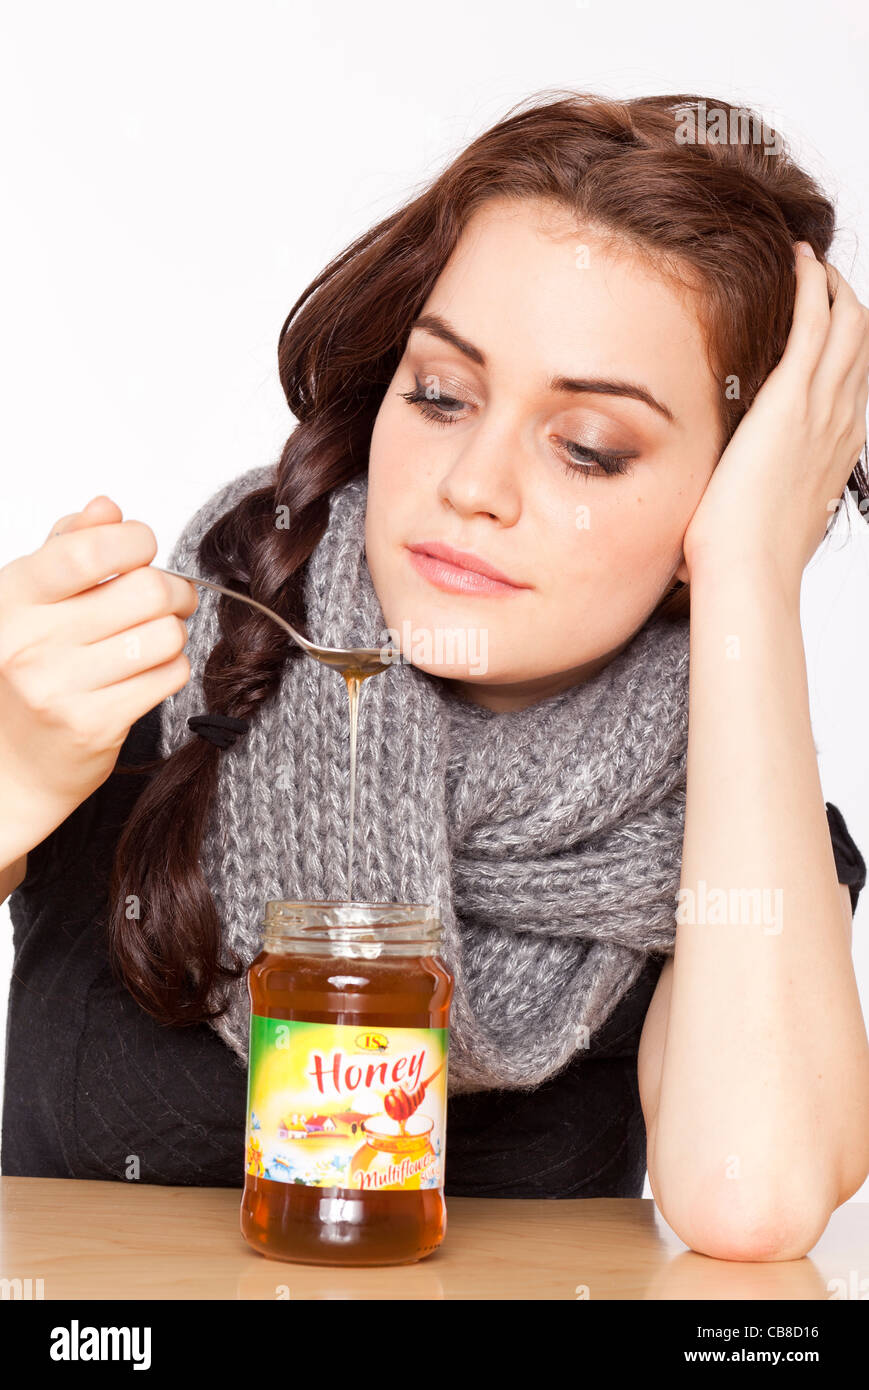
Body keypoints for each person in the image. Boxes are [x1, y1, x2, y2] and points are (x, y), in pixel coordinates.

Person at [2, 90, 868, 1262]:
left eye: (588, 447)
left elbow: (746, 1197)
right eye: (441, 395)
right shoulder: (138, 692)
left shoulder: (733, 823)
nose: (472, 481)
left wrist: (753, 584)